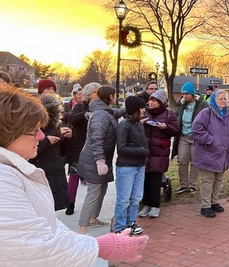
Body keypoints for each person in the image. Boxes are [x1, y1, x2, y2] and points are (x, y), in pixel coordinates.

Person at [0, 85, 148, 265]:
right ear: (8, 133)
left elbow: (45, 224)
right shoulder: (3, 180)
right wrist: (99, 247)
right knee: (93, 195)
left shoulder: (11, 170)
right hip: (94, 162)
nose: (40, 136)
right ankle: (84, 227)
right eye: (33, 130)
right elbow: (32, 246)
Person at [77, 85, 120, 235]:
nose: (117, 97)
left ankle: (93, 219)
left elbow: (117, 112)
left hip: (101, 158)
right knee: (94, 192)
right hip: (95, 160)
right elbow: (96, 140)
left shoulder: (106, 112)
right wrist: (100, 161)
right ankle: (82, 229)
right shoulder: (101, 115)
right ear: (110, 97)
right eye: (115, 95)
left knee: (102, 189)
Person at [192, 90, 229, 217]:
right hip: (208, 153)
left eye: (225, 99)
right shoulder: (206, 113)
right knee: (208, 180)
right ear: (214, 100)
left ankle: (214, 202)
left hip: (224, 154)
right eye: (221, 99)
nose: (224, 101)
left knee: (219, 179)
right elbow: (196, 130)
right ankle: (205, 205)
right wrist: (211, 140)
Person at [139, 90, 179, 219]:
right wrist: (141, 123)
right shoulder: (144, 113)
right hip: (145, 150)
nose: (151, 103)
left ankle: (155, 206)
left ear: (161, 102)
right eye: (150, 100)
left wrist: (165, 127)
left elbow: (176, 130)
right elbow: (133, 125)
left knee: (156, 180)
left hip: (159, 152)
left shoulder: (169, 114)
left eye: (154, 100)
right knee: (144, 180)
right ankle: (146, 205)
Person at [61, 82, 100, 216]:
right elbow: (71, 117)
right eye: (95, 92)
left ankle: (91, 209)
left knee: (94, 178)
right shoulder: (79, 107)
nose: (98, 94)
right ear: (89, 94)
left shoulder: (101, 108)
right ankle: (70, 202)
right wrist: (86, 114)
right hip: (79, 147)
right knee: (74, 175)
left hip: (95, 147)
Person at [113, 96, 149, 234]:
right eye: (141, 108)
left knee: (136, 198)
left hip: (139, 166)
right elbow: (121, 148)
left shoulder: (139, 124)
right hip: (126, 167)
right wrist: (140, 151)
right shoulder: (124, 126)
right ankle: (120, 227)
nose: (144, 110)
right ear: (135, 110)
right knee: (123, 199)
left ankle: (131, 222)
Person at [29, 93, 71, 211]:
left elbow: (63, 150)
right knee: (44, 209)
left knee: (50, 209)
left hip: (54, 168)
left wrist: (66, 137)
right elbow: (29, 150)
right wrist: (47, 141)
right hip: (43, 169)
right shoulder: (34, 124)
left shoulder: (54, 125)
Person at [172, 81, 209, 195]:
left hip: (196, 137)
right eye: (183, 94)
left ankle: (192, 185)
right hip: (184, 136)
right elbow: (176, 116)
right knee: (182, 160)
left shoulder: (202, 105)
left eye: (186, 93)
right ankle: (183, 184)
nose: (184, 96)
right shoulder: (181, 105)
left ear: (192, 94)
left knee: (195, 161)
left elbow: (207, 119)